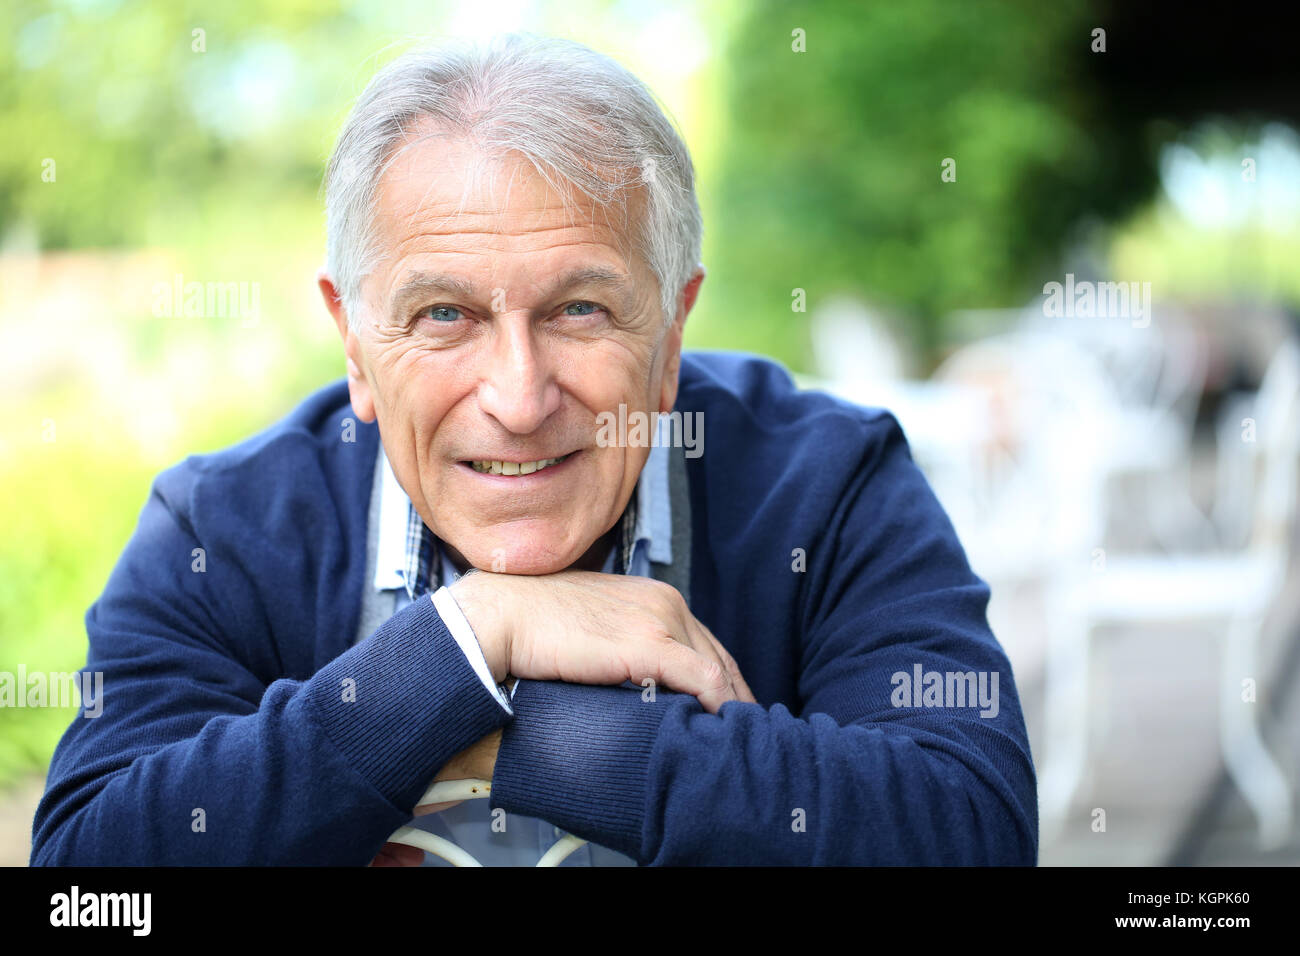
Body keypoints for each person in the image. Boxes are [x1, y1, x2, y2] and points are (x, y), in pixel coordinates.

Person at [30, 34, 1037, 866]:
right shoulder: (221, 528)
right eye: (444, 314)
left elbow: (971, 833)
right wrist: (469, 640)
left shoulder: (826, 482)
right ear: (355, 344)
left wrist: (499, 729)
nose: (518, 396)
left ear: (672, 332)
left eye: (581, 308)